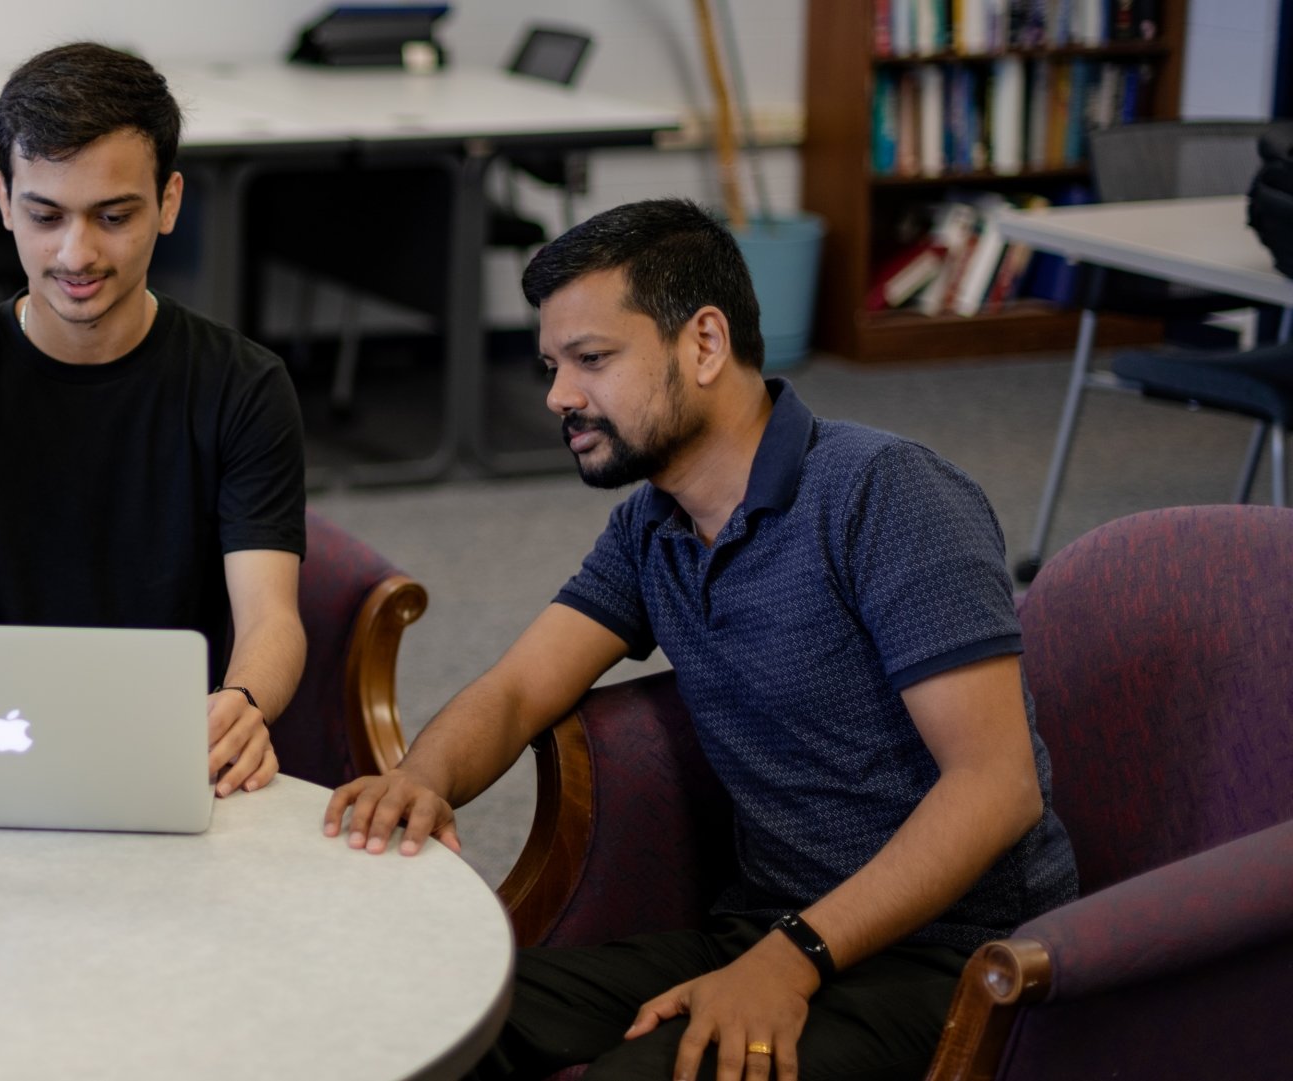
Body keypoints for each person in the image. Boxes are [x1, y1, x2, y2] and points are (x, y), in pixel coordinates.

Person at [324, 199, 1078, 1081]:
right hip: (765, 926)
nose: (558, 396)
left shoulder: (887, 494)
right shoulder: (656, 524)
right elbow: (518, 690)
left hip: (952, 962)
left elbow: (996, 789)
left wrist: (789, 957)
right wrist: (421, 780)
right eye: (552, 365)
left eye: (592, 360)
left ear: (705, 343)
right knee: (417, 1021)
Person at [0, 43, 308, 798]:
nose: (77, 253)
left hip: (172, 744)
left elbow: (271, 616)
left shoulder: (244, 387)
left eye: (113, 215)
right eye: (45, 215)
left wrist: (244, 703)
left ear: (168, 202)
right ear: (5, 201)